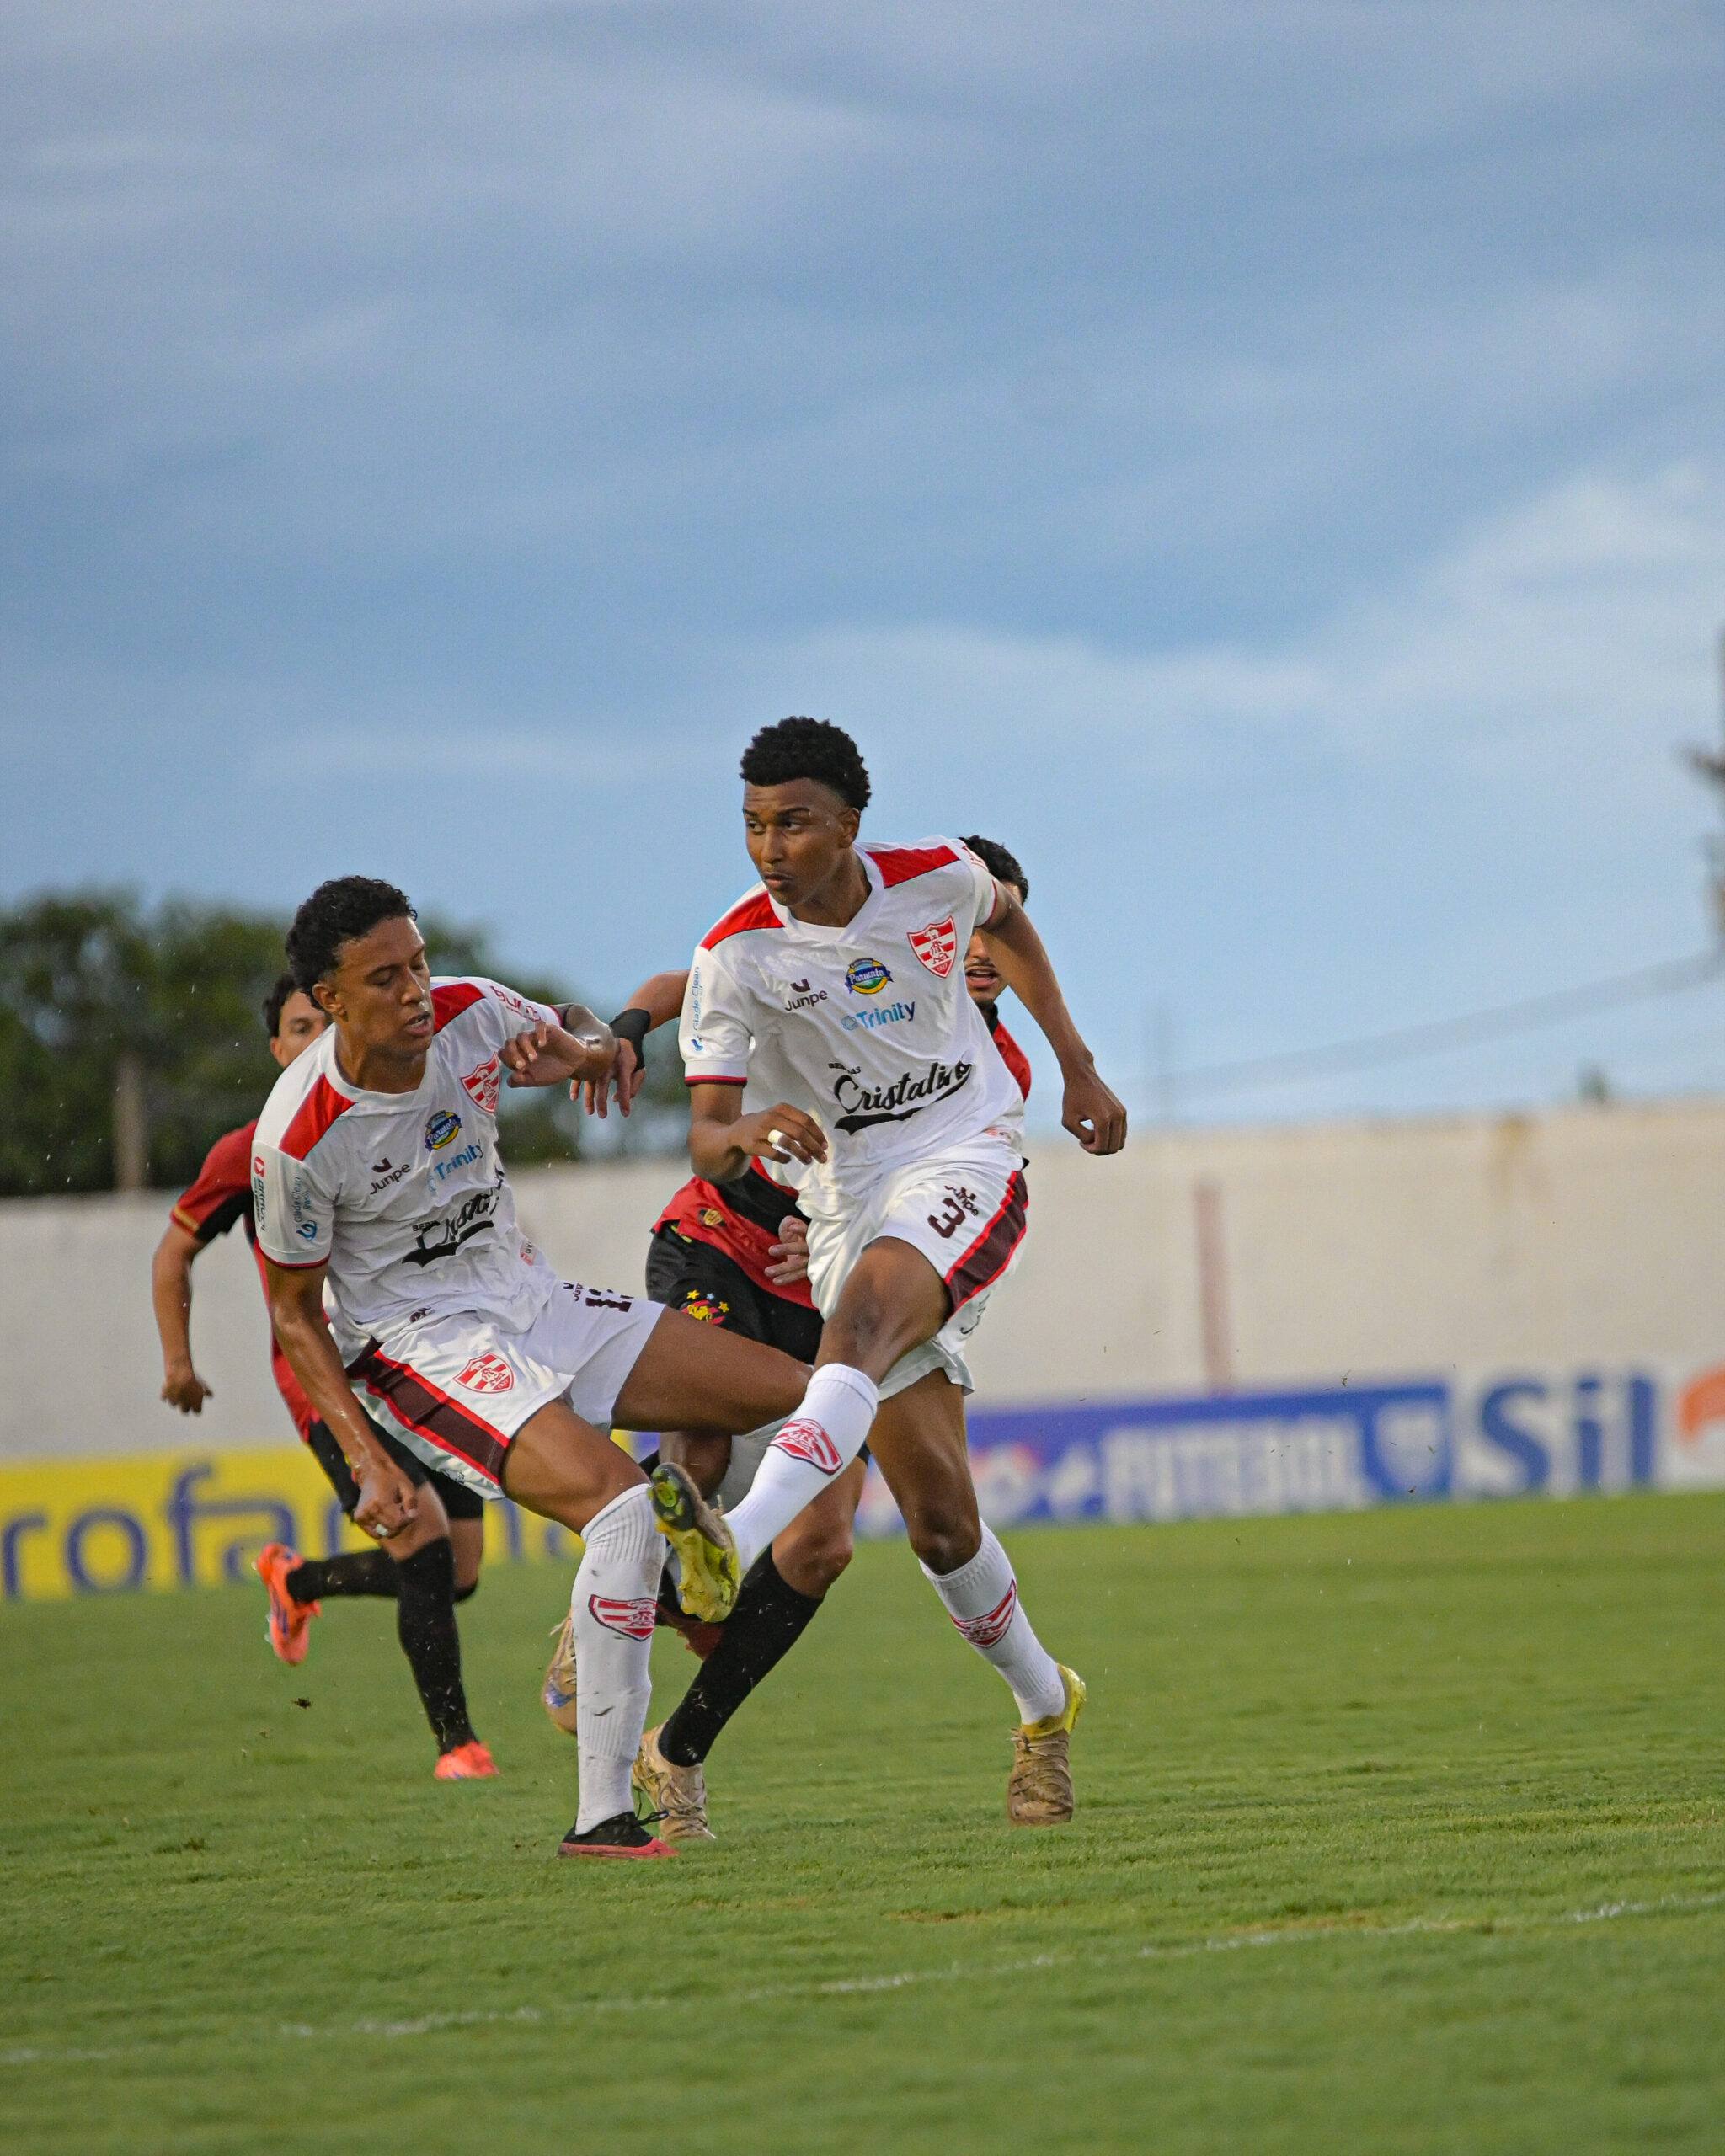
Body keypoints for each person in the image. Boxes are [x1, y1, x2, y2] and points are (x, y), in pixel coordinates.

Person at [252, 876, 812, 1857]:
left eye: (419, 962)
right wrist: (369, 1459)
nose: (418, 990)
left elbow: (584, 1036)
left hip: (532, 1300)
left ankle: (651, 1591)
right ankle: (602, 1814)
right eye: (385, 978)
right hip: (421, 1348)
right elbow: (294, 1315)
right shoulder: (297, 1141)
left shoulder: (469, 1012)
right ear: (330, 1000)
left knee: (811, 1398)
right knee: (622, 1507)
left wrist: (588, 1052)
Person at [652, 719, 1125, 1826]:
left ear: (848, 824)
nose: (771, 846)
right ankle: (1047, 1707)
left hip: (964, 1158)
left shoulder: (937, 884)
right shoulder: (734, 956)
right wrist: (749, 1128)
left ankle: (727, 1537)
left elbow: (1009, 919)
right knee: (941, 1525)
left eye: (795, 822)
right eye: (755, 825)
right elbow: (706, 1137)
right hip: (846, 1198)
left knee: (857, 1333)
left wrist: (1079, 1067)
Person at [545, 835, 1037, 1843]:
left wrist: (833, 1239)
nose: (982, 948)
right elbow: (682, 981)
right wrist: (630, 1031)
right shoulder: (813, 950)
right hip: (717, 1244)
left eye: (1000, 929)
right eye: (977, 924)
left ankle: (673, 1754)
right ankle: (618, 1585)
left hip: (828, 1289)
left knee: (820, 1545)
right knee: (704, 1447)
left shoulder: (987, 1073)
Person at [152, 973, 494, 1780]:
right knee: (424, 1537)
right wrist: (178, 1362)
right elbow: (174, 1252)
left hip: (424, 1359)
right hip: (330, 1379)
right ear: (277, 1047)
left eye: (325, 1023)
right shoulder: (254, 1150)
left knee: (460, 1571)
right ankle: (459, 1748)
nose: (315, 1040)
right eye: (299, 1028)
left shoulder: (403, 1118)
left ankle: (296, 1578)